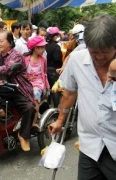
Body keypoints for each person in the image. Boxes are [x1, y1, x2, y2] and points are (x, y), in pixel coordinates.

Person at [49, 15, 116, 180]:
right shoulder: (77, 60)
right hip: (90, 145)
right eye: (94, 51)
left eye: (105, 52)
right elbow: (70, 92)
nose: (99, 57)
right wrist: (60, 120)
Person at [24, 36, 49, 128]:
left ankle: (34, 122)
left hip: (38, 85)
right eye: (41, 47)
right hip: (26, 83)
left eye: (43, 47)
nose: (43, 49)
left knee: (35, 100)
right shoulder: (26, 59)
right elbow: (22, 72)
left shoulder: (43, 60)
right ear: (35, 49)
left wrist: (47, 86)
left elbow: (44, 73)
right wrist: (27, 78)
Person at [45, 27, 62, 108]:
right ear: (55, 36)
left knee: (48, 90)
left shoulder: (45, 46)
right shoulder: (56, 47)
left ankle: (47, 107)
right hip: (53, 71)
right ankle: (56, 108)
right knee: (55, 90)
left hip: (45, 70)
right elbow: (57, 59)